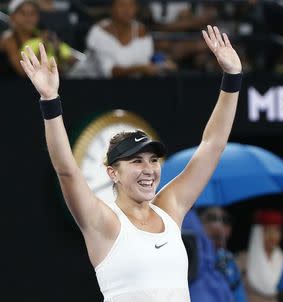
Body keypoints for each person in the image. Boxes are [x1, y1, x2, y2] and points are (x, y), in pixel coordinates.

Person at [20, 25, 242, 302]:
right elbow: (66, 170)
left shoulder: (170, 209)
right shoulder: (104, 222)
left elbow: (213, 145)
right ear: (113, 172)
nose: (149, 169)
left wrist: (232, 78)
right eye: (136, 161)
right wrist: (50, 101)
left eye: (152, 159)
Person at [83, 0, 176, 78]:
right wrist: (141, 68)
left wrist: (162, 62)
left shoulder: (142, 30)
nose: (127, 10)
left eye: (131, 5)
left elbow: (145, 60)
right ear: (111, 8)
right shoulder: (98, 32)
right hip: (86, 85)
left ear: (137, 8)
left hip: (130, 87)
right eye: (122, 5)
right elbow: (109, 72)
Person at [1, 0, 74, 77]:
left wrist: (57, 51)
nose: (28, 18)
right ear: (12, 16)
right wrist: (43, 48)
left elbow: (68, 63)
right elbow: (23, 71)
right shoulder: (7, 39)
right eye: (23, 13)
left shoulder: (43, 36)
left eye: (33, 13)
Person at [199, 207, 247, 302]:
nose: (218, 225)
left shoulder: (229, 261)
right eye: (211, 218)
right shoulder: (190, 258)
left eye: (225, 220)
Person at [236, 209, 283, 302]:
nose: (272, 236)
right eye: (267, 231)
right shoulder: (243, 260)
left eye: (277, 230)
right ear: (257, 233)